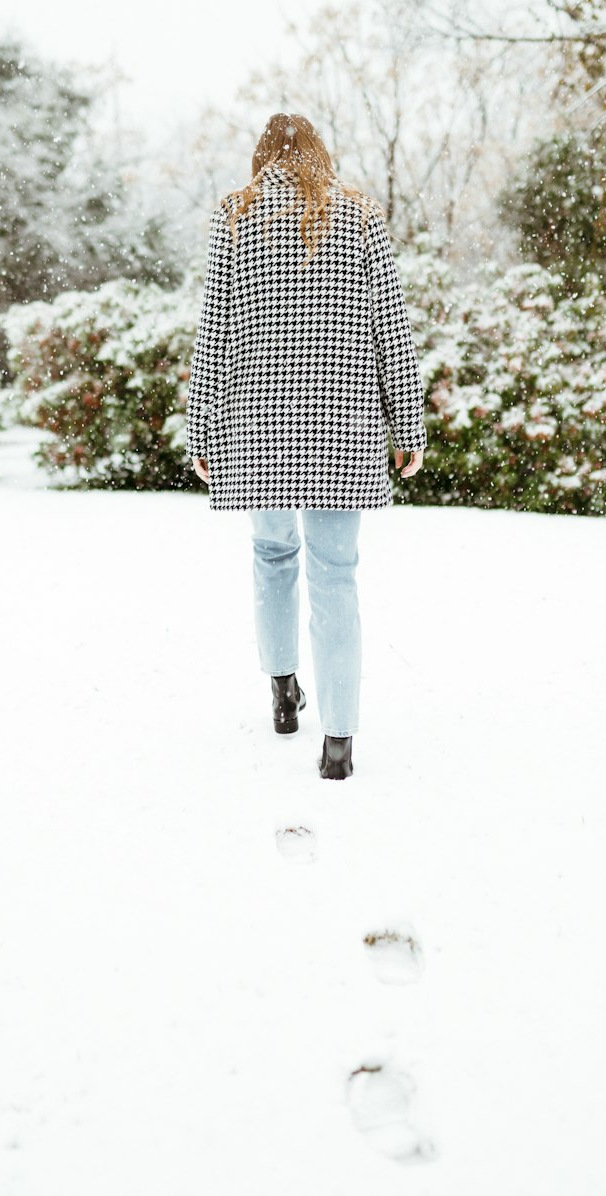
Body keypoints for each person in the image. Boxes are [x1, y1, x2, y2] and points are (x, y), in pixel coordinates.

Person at [184, 112, 425, 780]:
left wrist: (201, 428)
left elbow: (214, 333)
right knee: (335, 574)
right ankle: (340, 741)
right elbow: (392, 332)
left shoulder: (235, 219)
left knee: (271, 556)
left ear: (263, 156)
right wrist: (407, 426)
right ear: (321, 153)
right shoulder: (362, 217)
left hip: (257, 425)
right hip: (341, 426)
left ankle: (283, 692)